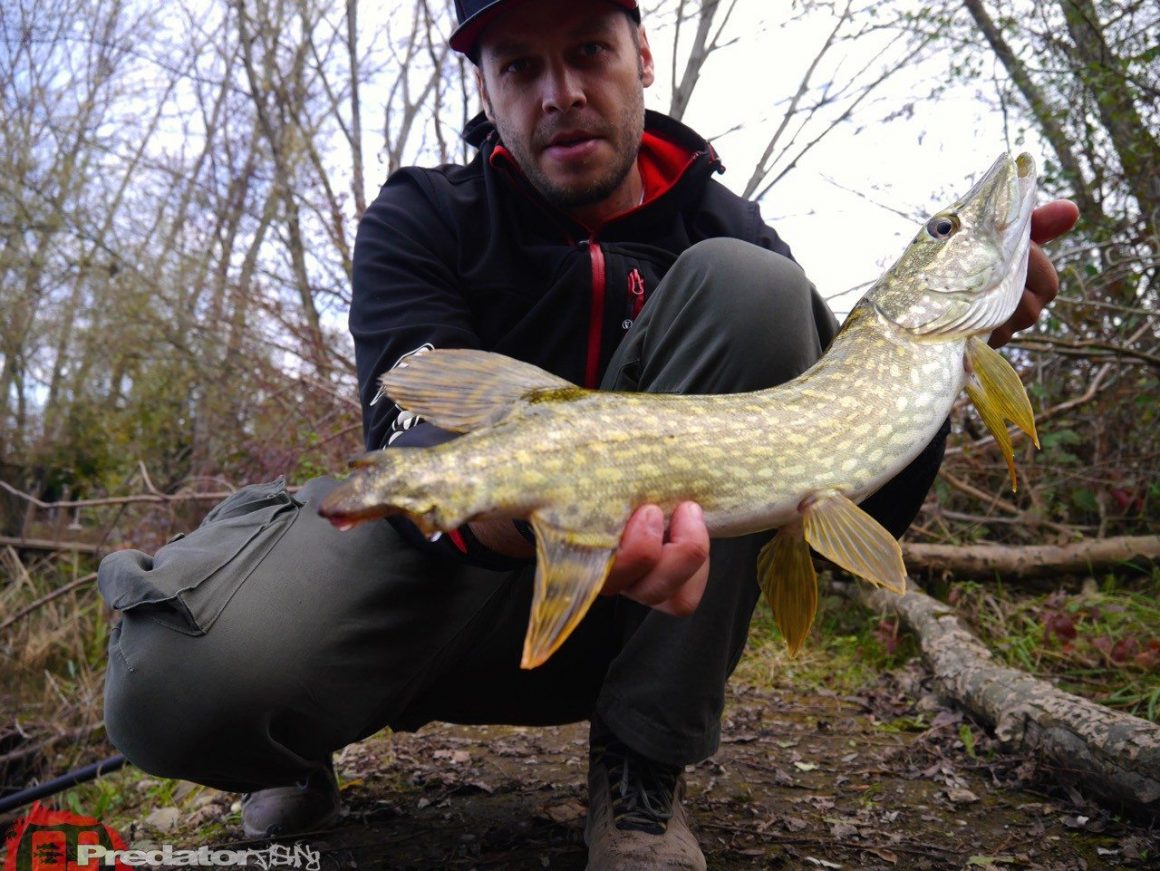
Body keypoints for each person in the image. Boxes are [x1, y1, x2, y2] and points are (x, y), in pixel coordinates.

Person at [97, 0, 1079, 867]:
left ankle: (641, 769)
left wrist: (942, 361)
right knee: (171, 684)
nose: (560, 90)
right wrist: (538, 512)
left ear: (641, 54)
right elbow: (414, 433)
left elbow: (846, 496)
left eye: (588, 49)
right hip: (442, 585)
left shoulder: (730, 231)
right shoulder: (423, 216)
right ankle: (288, 748)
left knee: (752, 287)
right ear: (482, 85)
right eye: (520, 65)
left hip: (648, 610)